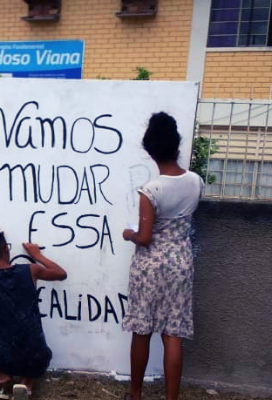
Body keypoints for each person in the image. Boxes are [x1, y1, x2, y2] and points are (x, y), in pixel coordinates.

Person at [121, 112, 204, 400]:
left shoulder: (151, 190)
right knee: (173, 334)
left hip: (150, 266)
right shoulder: (196, 182)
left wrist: (129, 234)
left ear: (150, 150)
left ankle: (135, 395)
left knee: (142, 330)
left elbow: (145, 238)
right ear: (176, 145)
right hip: (181, 262)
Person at [0, 225, 67, 400]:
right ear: (6, 248)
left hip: (4, 358)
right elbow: (61, 274)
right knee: (30, 348)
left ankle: (4, 376)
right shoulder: (30, 270)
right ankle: (27, 383)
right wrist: (37, 255)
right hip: (39, 359)